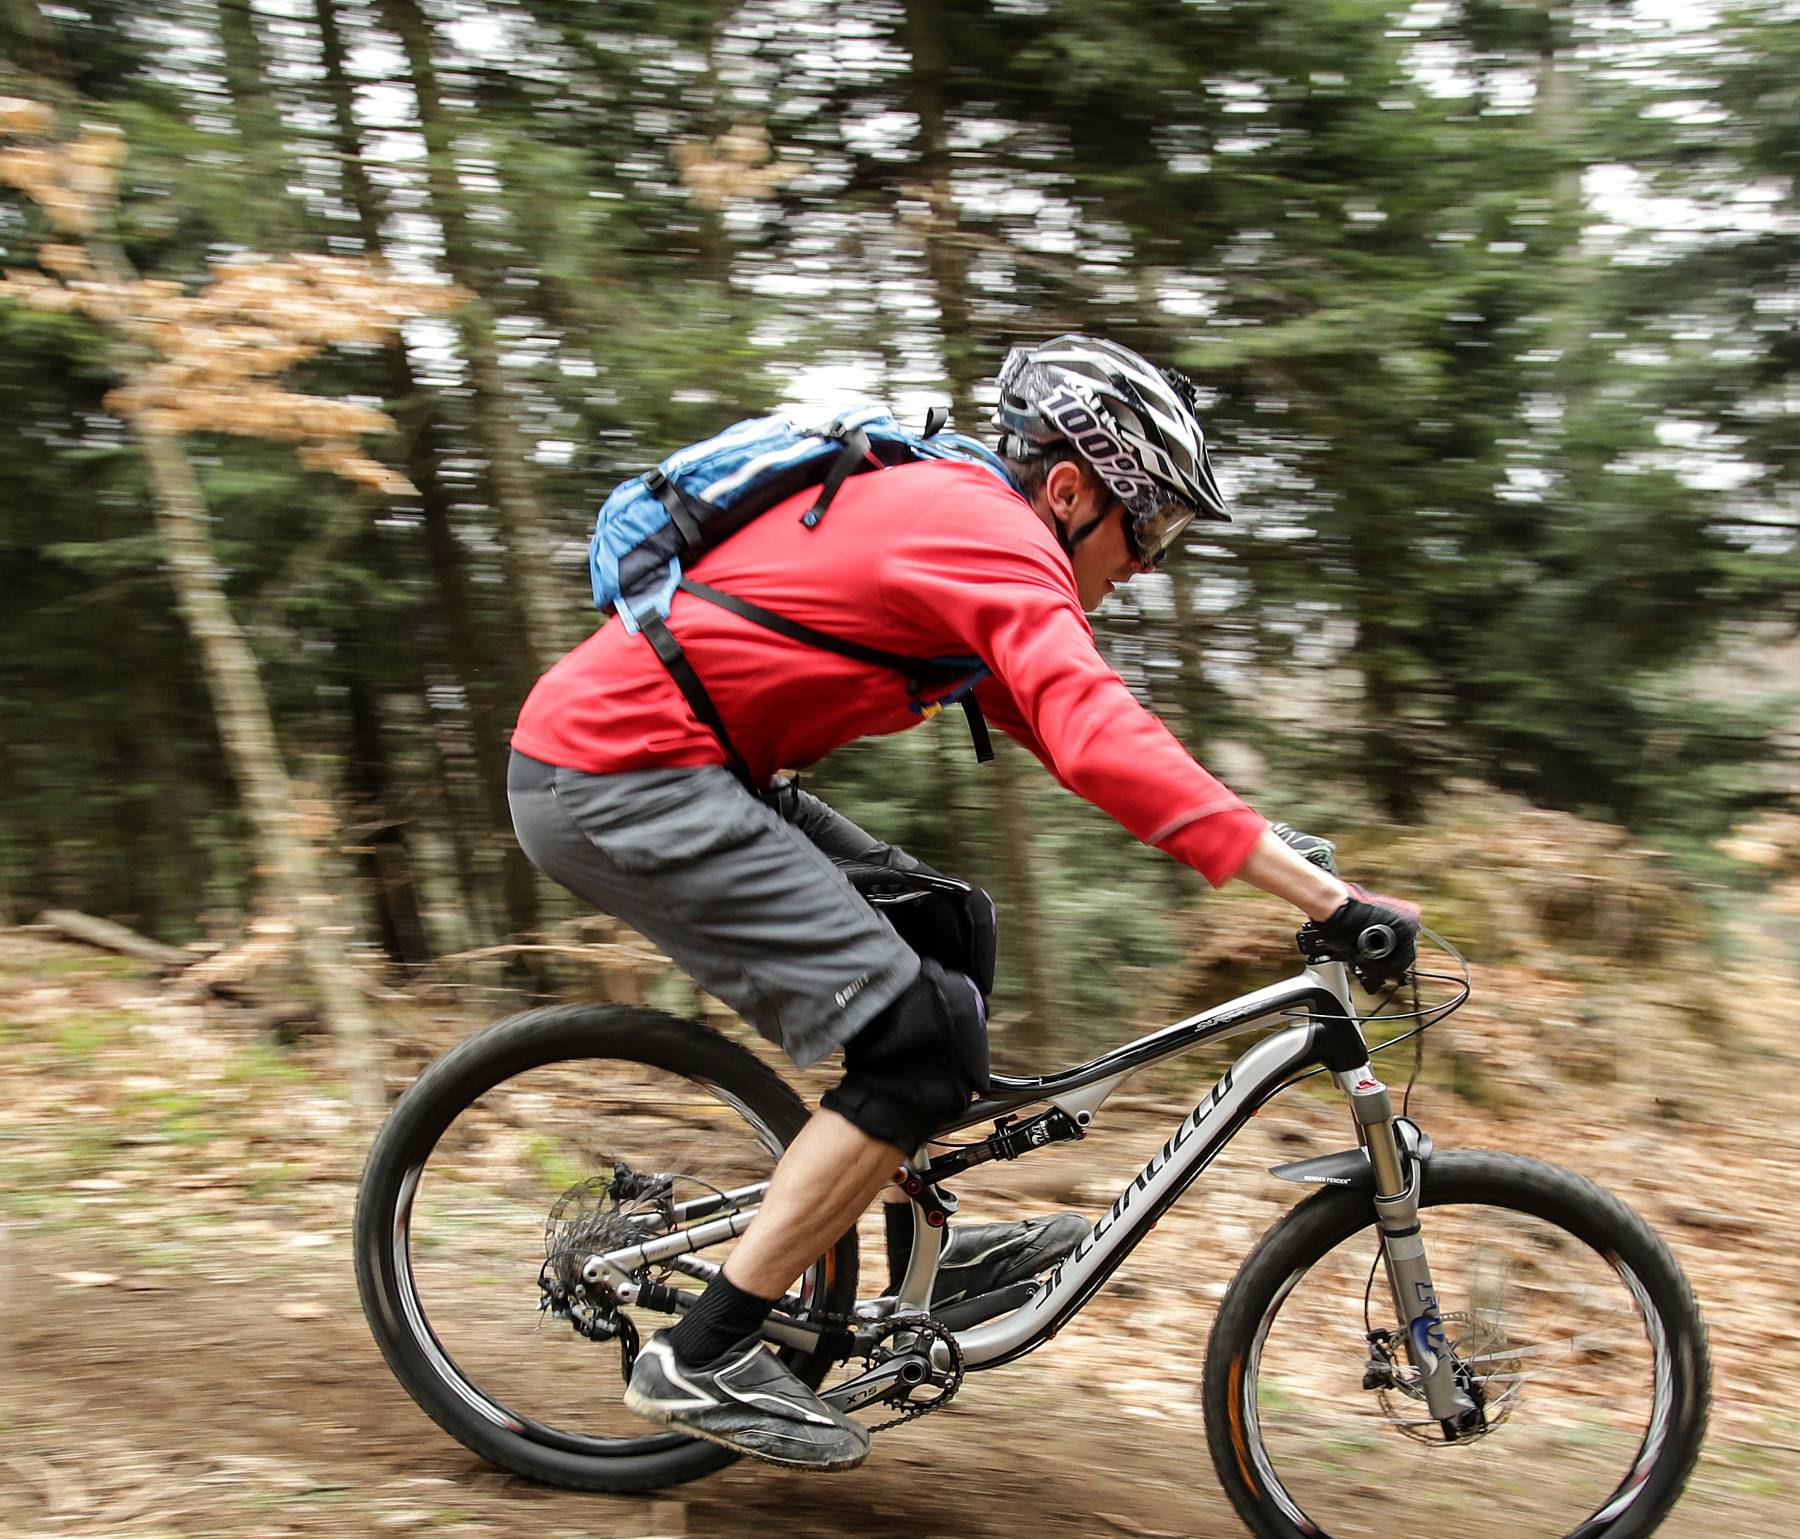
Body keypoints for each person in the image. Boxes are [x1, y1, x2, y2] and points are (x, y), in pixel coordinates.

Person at [507, 334, 1420, 1471]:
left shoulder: (963, 523)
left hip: (685, 767)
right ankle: (704, 1347)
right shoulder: (983, 528)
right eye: (1151, 527)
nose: (1146, 564)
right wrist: (1329, 897)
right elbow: (1098, 738)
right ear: (1074, 491)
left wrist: (1269, 845)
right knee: (921, 1042)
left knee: (947, 927)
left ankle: (916, 1253)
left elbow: (1067, 721)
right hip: (616, 773)